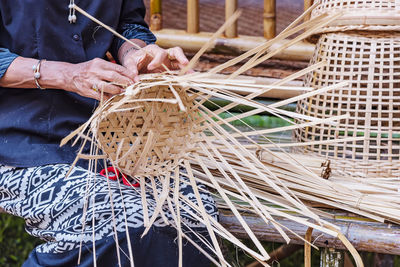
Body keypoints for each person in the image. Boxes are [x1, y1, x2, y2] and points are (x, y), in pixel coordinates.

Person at [0, 1, 217, 266]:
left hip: (113, 139)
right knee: (119, 227)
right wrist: (67, 75)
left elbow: (128, 24)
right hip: (19, 142)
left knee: (193, 218)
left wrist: (135, 53)